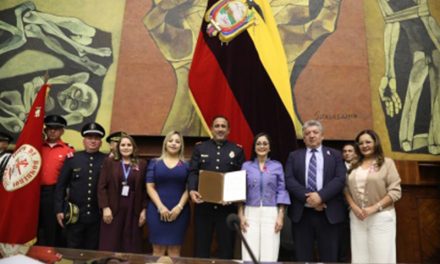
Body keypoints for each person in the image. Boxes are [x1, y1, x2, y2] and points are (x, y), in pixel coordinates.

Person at [285, 119, 346, 262]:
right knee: (303, 257)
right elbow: (289, 179)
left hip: (328, 213)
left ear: (322, 136)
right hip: (302, 214)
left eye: (315, 132)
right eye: (307, 133)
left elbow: (340, 179)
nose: (311, 135)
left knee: (329, 258)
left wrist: (320, 197)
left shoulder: (335, 155)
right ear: (304, 138)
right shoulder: (294, 156)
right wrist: (309, 199)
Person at [188, 115, 245, 259]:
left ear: (228, 130)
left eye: (223, 126)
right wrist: (192, 190)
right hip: (204, 206)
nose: (220, 129)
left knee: (226, 249)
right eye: (217, 126)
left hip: (227, 209)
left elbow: (240, 177)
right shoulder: (200, 148)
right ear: (212, 129)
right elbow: (193, 172)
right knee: (201, 248)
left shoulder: (237, 150)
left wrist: (233, 198)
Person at [344, 129, 402, 263]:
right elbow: (346, 189)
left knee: (381, 257)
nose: (364, 145)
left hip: (380, 217)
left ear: (375, 143)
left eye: (368, 142)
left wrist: (374, 208)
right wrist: (353, 207)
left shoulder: (387, 163)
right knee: (360, 258)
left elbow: (395, 191)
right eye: (361, 143)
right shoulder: (354, 165)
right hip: (357, 217)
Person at [238, 132, 290, 262]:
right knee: (249, 252)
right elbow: (240, 192)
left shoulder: (277, 166)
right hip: (250, 211)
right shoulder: (246, 166)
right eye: (258, 143)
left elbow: (281, 191)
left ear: (270, 147)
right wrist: (241, 214)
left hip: (271, 212)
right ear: (254, 147)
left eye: (265, 143)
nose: (262, 146)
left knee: (270, 252)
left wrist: (280, 215)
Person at [54, 122, 107, 249]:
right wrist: (59, 209)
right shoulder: (73, 159)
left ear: (101, 142)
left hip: (97, 216)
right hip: (75, 215)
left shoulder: (106, 160)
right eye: (89, 138)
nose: (93, 141)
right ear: (84, 140)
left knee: (93, 249)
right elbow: (61, 186)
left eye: (96, 138)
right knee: (73, 248)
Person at [98, 134, 147, 253]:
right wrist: (105, 207)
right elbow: (101, 186)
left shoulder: (142, 164)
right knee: (111, 243)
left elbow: (145, 189)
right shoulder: (110, 162)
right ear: (118, 148)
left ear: (133, 148)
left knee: (131, 244)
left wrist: (144, 210)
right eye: (123, 145)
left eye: (129, 145)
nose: (126, 147)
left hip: (133, 209)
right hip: (114, 208)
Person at [146, 131, 190, 257]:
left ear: (181, 145)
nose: (174, 144)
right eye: (170, 141)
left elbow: (189, 188)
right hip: (156, 211)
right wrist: (160, 207)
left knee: (175, 252)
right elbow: (149, 187)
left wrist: (179, 207)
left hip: (179, 212)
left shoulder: (187, 164)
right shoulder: (154, 162)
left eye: (177, 141)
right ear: (165, 143)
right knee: (157, 251)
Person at [38, 115, 74, 246]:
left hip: (53, 193)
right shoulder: (36, 147)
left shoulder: (68, 150)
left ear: (62, 131)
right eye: (49, 128)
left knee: (51, 229)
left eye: (56, 129)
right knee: (31, 227)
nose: (53, 131)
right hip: (33, 193)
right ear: (45, 130)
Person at [339, 142, 358, 262]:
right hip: (341, 206)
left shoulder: (361, 167)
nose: (347, 153)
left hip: (358, 207)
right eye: (345, 151)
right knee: (343, 236)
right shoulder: (338, 166)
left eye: (350, 151)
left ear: (356, 153)